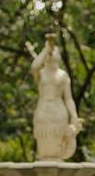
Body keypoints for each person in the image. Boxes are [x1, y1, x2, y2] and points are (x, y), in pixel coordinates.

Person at [31, 33, 82, 161]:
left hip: (58, 110)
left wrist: (74, 116)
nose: (52, 54)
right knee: (44, 145)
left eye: (54, 51)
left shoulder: (63, 75)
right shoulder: (41, 74)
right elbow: (34, 66)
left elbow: (68, 98)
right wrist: (46, 48)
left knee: (58, 146)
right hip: (43, 110)